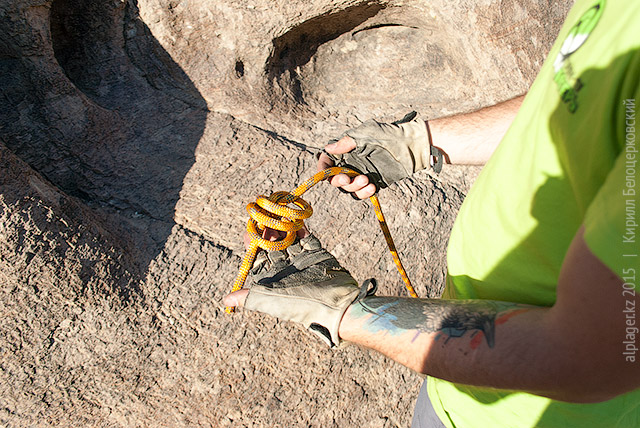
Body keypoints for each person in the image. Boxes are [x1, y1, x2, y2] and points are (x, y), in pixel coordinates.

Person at [224, 0, 640, 426]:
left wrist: (347, 314)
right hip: (458, 380)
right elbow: (573, 100)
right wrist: (418, 144)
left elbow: (595, 356)